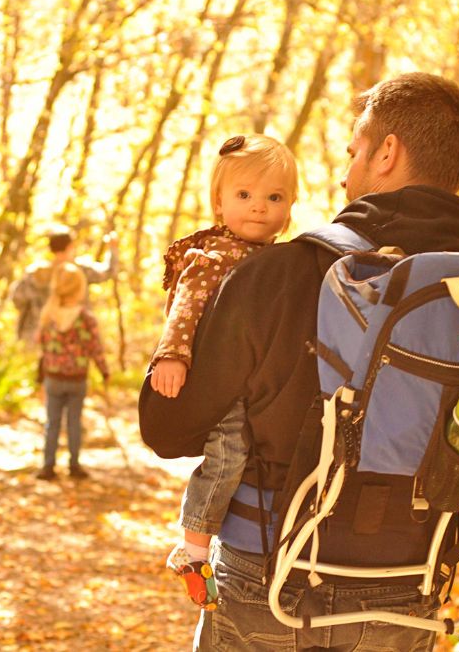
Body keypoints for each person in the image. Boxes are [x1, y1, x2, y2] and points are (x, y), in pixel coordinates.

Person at [139, 72, 459, 651]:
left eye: (353, 153)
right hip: (411, 582)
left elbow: (167, 427)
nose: (345, 174)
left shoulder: (282, 272)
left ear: (387, 153)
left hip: (271, 578)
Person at [150, 134, 298, 609]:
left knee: (257, 454)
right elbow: (184, 310)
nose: (259, 208)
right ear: (219, 202)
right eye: (244, 196)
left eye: (273, 198)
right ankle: (192, 548)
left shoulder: (281, 260)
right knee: (228, 451)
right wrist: (172, 356)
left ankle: (233, 543)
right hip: (219, 380)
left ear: (290, 207)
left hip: (260, 381)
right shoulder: (212, 257)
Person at [36, 262, 110, 480]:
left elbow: (42, 347)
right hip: (77, 379)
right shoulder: (86, 318)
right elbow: (95, 348)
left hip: (53, 378)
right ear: (80, 289)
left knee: (52, 422)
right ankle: (74, 466)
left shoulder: (48, 315)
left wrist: (40, 376)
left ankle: (48, 467)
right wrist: (104, 371)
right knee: (74, 422)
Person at [12, 225, 119, 344]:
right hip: (75, 338)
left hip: (39, 338)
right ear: (70, 246)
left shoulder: (34, 273)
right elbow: (109, 272)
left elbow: (17, 299)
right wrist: (113, 248)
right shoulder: (80, 270)